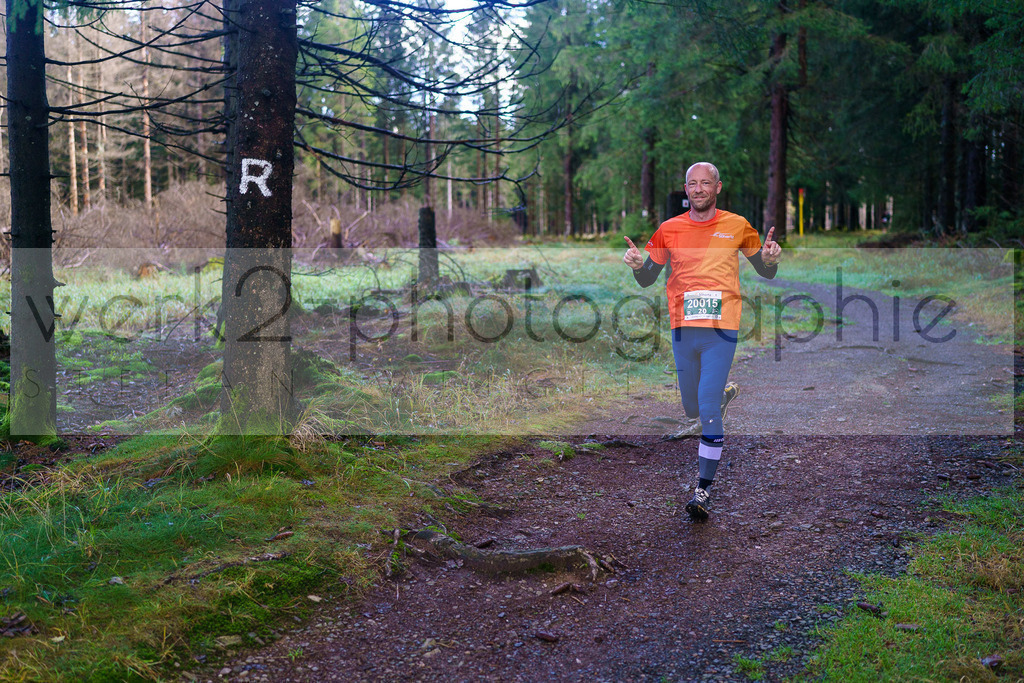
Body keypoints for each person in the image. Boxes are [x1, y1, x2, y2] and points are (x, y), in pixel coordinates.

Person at [623, 161, 782, 520]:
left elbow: (764, 270)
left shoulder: (737, 225)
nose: (698, 189)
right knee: (692, 409)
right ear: (686, 188)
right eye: (692, 184)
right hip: (682, 328)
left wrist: (770, 260)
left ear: (718, 187)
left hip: (721, 329)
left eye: (705, 183)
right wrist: (637, 266)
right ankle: (721, 398)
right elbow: (649, 278)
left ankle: (703, 490)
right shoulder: (669, 229)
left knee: (706, 410)